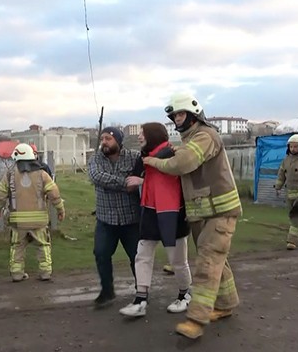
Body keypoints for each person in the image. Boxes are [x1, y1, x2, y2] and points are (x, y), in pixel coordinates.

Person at [142, 92, 242, 339]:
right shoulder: (192, 139)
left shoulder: (205, 136)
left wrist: (153, 162)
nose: (176, 119)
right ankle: (226, 304)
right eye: (174, 115)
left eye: (180, 114)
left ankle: (196, 319)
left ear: (193, 114)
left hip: (219, 213)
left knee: (207, 264)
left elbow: (182, 165)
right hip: (204, 214)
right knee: (218, 261)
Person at [119, 123, 192, 317]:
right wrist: (134, 182)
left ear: (152, 136)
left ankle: (186, 295)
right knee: (142, 254)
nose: (140, 137)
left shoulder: (173, 153)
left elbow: (179, 178)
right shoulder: (142, 156)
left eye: (142, 134)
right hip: (150, 211)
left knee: (177, 260)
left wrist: (142, 181)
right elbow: (132, 180)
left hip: (172, 213)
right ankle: (140, 299)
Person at [0, 143, 65, 282]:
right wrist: (60, 209)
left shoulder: (9, 175)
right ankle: (45, 273)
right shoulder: (42, 174)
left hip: (18, 223)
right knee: (43, 246)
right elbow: (54, 193)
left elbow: (0, 193)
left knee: (17, 247)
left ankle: (16, 274)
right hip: (38, 221)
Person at [88, 127, 141, 307]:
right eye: (102, 138)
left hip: (131, 219)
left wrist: (136, 181)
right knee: (101, 253)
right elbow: (97, 177)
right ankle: (107, 291)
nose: (104, 142)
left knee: (137, 257)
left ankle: (141, 292)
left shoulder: (134, 157)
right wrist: (126, 183)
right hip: (106, 220)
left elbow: (143, 176)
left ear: (118, 141)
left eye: (108, 139)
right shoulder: (95, 159)